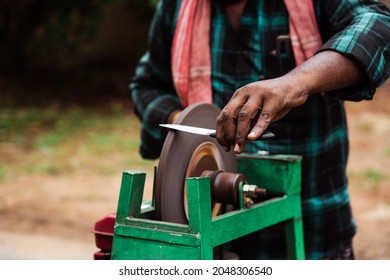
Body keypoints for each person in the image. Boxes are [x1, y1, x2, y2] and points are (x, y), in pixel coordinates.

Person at [130, 0, 390, 259]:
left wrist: (296, 83)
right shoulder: (177, 6)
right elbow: (147, 86)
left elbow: (379, 26)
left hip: (313, 229)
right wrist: (186, 124)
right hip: (214, 240)